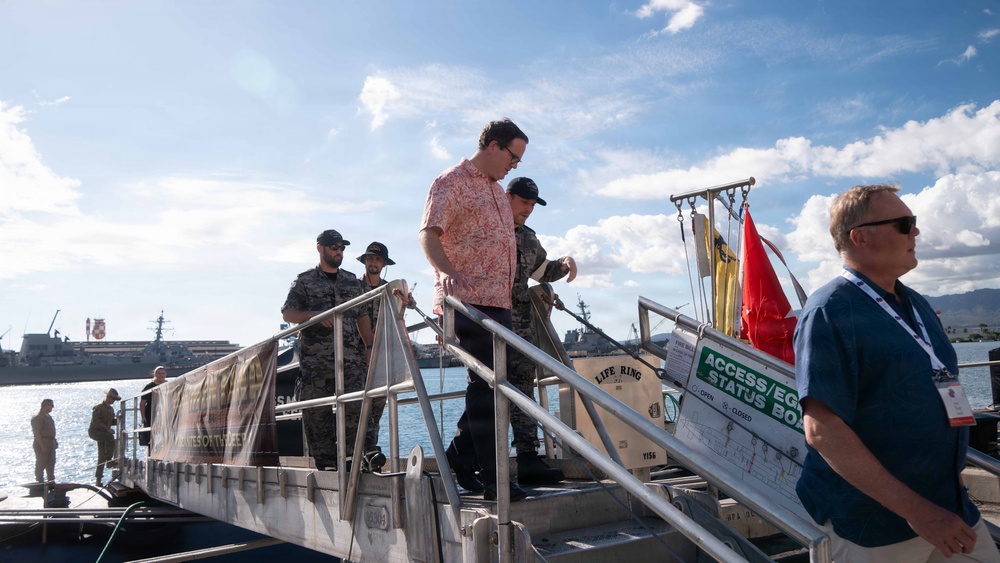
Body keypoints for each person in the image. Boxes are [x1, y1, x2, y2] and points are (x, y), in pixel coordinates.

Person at [794, 184, 1000, 562]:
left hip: (949, 509)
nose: (916, 233)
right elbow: (823, 429)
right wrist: (918, 512)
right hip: (874, 525)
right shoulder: (830, 311)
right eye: (905, 224)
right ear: (860, 237)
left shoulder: (915, 304)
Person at [418, 117, 527, 501]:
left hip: (500, 302)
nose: (514, 166)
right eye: (513, 157)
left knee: (496, 385)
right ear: (494, 146)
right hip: (467, 301)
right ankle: (494, 479)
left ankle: (460, 458)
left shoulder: (498, 192)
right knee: (489, 387)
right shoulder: (451, 181)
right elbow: (428, 234)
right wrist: (446, 272)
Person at [282, 229, 382, 473]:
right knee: (318, 414)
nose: (339, 252)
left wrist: (369, 347)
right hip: (317, 361)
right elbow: (288, 313)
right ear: (320, 248)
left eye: (342, 248)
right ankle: (327, 464)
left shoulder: (351, 281)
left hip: (350, 358)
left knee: (358, 405)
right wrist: (312, 316)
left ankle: (362, 455)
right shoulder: (304, 281)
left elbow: (362, 316)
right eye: (334, 247)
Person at [505, 177, 577, 485]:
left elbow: (542, 270)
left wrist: (565, 263)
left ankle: (528, 459)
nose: (528, 210)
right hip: (489, 320)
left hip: (521, 328)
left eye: (533, 206)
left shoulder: (529, 239)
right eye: (524, 203)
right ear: (507, 197)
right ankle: (474, 457)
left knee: (523, 389)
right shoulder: (488, 229)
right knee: (484, 392)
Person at [89, 388, 120, 487]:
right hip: (95, 431)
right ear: (107, 397)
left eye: (114, 400)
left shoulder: (111, 409)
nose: (113, 401)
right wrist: (107, 429)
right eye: (112, 399)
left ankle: (98, 480)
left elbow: (111, 422)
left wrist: (117, 420)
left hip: (104, 433)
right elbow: (95, 422)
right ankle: (109, 460)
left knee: (101, 456)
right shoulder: (98, 407)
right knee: (110, 437)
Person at [31, 398, 57, 485]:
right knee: (41, 462)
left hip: (50, 442)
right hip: (42, 442)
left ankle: (51, 482)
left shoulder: (48, 417)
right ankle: (39, 482)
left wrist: (55, 441)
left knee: (51, 463)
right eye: (51, 405)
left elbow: (50, 431)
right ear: (45, 406)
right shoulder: (38, 417)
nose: (52, 408)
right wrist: (42, 445)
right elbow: (36, 432)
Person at [139, 365, 167, 447]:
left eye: (163, 373)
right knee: (152, 435)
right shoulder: (149, 386)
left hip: (164, 412)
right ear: (155, 374)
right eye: (159, 373)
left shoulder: (169, 384)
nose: (161, 375)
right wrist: (143, 416)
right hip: (151, 413)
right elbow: (142, 402)